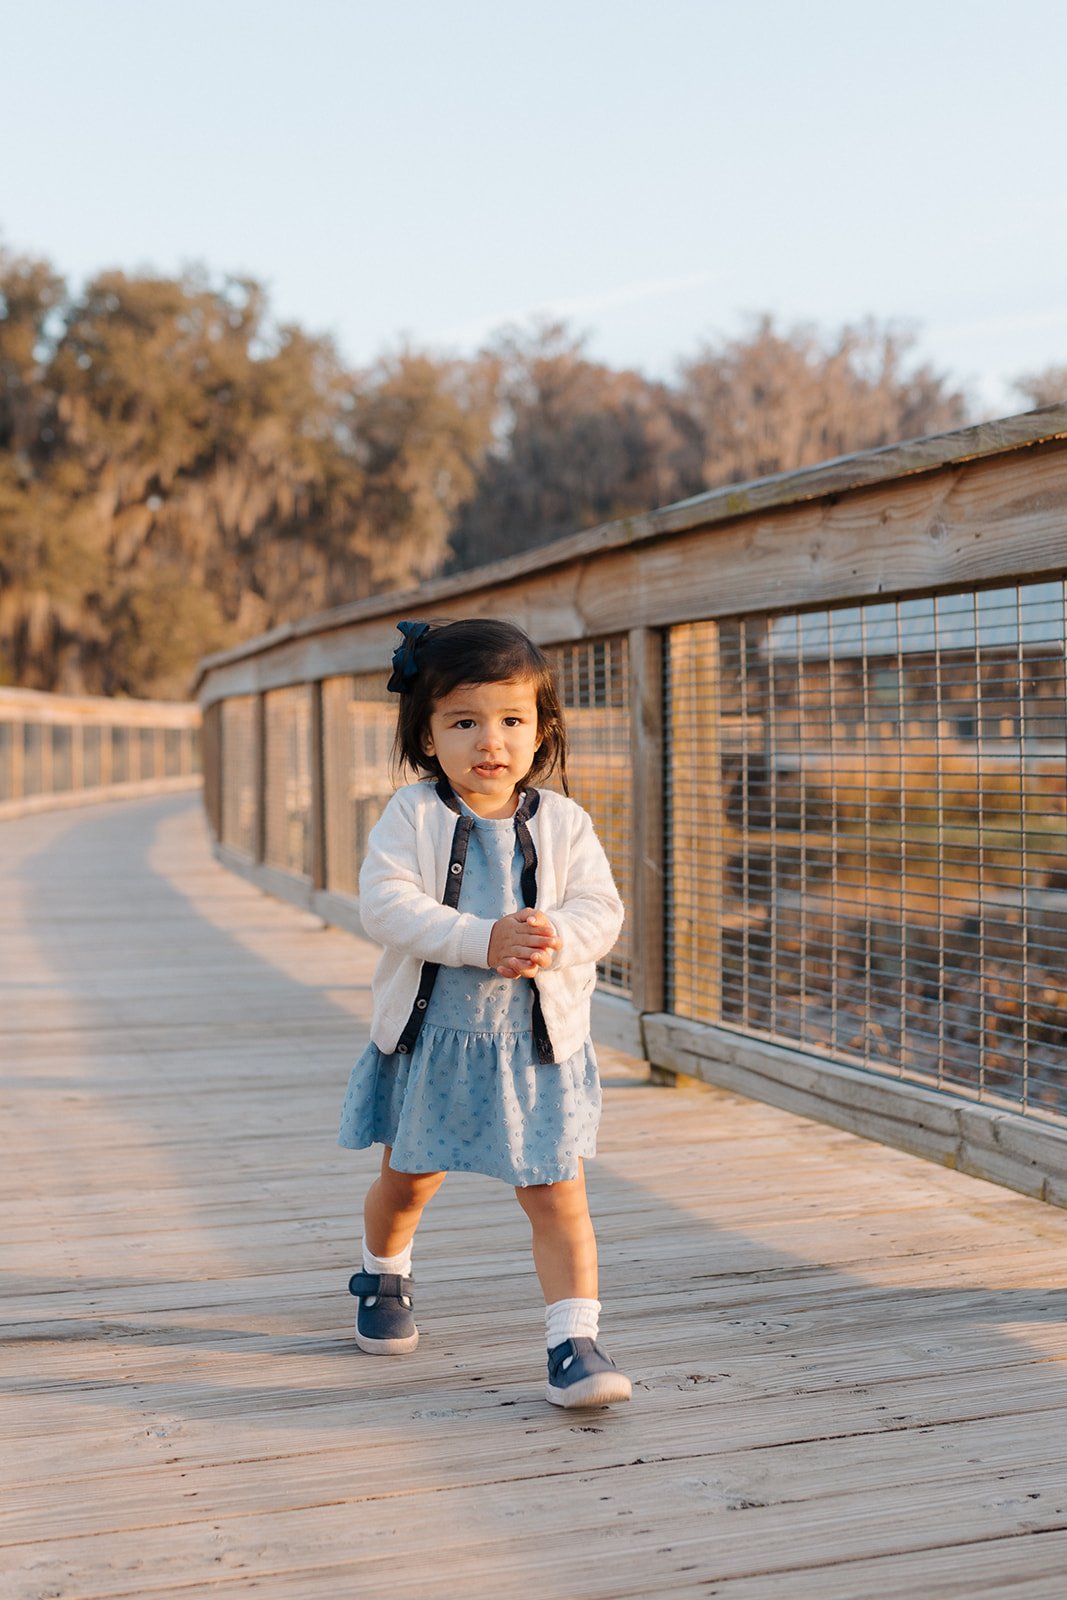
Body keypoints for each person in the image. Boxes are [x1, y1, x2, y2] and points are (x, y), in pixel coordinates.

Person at [337, 617, 632, 1408]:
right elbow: (385, 905)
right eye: (463, 721)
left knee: (555, 1190)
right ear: (428, 736)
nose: (489, 740)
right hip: (433, 1040)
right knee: (408, 1180)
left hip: (534, 1048)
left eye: (510, 720)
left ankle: (574, 1340)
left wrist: (556, 935)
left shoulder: (564, 823)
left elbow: (602, 910)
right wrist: (480, 937)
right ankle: (383, 1273)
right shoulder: (412, 816)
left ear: (542, 731)